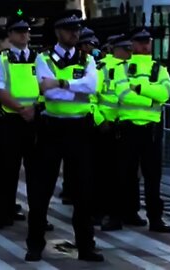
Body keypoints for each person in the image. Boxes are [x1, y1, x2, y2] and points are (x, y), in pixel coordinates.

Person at [25, 10, 104, 262]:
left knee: (84, 189)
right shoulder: (44, 59)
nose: (75, 33)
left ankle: (86, 245)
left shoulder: (87, 59)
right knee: (41, 188)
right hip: (52, 128)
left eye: (77, 29)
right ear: (58, 31)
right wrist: (72, 88)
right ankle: (35, 244)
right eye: (70, 29)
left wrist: (61, 84)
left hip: (80, 129)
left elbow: (92, 87)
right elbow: (46, 93)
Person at [114, 27, 170, 233]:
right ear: (132, 44)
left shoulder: (160, 69)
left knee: (153, 175)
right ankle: (123, 214)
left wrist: (139, 88)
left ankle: (155, 218)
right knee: (124, 173)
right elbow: (122, 94)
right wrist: (151, 97)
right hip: (128, 126)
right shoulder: (122, 68)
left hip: (152, 129)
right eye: (140, 41)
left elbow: (165, 93)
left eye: (147, 41)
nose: (145, 45)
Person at [0, 17, 39, 231]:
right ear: (10, 36)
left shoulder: (38, 58)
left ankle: (38, 216)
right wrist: (21, 109)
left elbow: (44, 86)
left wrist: (34, 109)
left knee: (37, 173)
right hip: (12, 119)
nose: (23, 35)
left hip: (34, 119)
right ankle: (0, 214)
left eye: (26, 31)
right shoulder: (2, 59)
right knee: (6, 170)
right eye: (18, 31)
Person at [95, 34, 133, 231]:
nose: (130, 52)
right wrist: (100, 120)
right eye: (126, 49)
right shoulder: (102, 66)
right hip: (106, 126)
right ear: (116, 49)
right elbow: (91, 95)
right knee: (104, 173)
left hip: (126, 124)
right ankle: (102, 213)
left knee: (124, 174)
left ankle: (122, 213)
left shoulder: (133, 68)